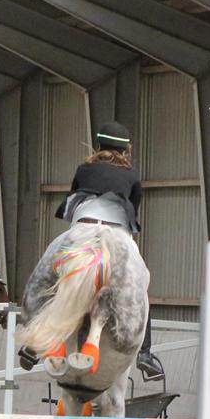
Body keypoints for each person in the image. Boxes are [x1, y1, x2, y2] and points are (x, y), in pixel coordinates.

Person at [52, 122, 161, 378]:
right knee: (140, 282)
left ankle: (35, 340)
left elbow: (74, 202)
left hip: (83, 227)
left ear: (99, 146)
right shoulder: (132, 176)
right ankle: (145, 353)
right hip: (117, 232)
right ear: (126, 150)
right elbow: (132, 213)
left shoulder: (83, 169)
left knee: (54, 275)